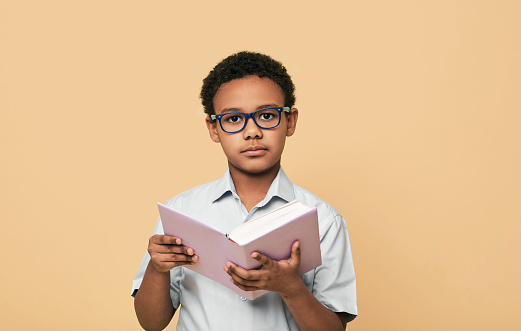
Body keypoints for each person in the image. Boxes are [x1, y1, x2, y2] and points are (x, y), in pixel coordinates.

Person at [131, 51, 357, 331]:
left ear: (291, 121)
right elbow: (151, 323)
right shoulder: (181, 211)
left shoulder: (324, 220)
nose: (252, 132)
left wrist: (291, 288)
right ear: (214, 128)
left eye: (266, 115)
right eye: (234, 119)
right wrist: (157, 268)